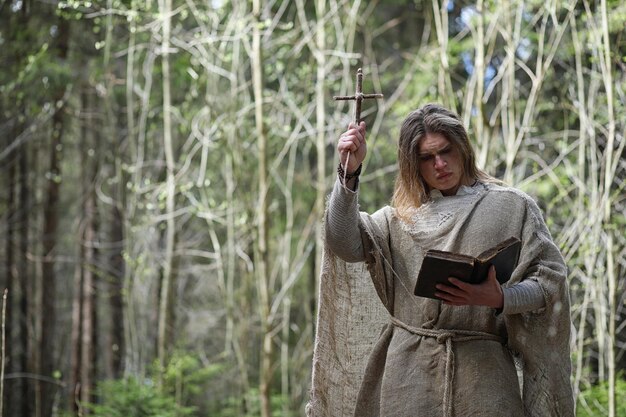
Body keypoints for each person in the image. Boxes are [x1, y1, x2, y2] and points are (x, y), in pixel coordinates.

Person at [307, 104, 574, 417]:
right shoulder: (397, 221)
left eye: (446, 151)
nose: (440, 164)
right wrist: (348, 173)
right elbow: (342, 242)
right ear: (412, 164)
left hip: (485, 378)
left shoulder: (513, 207)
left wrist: (501, 297)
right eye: (426, 157)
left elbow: (551, 283)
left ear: (462, 147)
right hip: (407, 379)